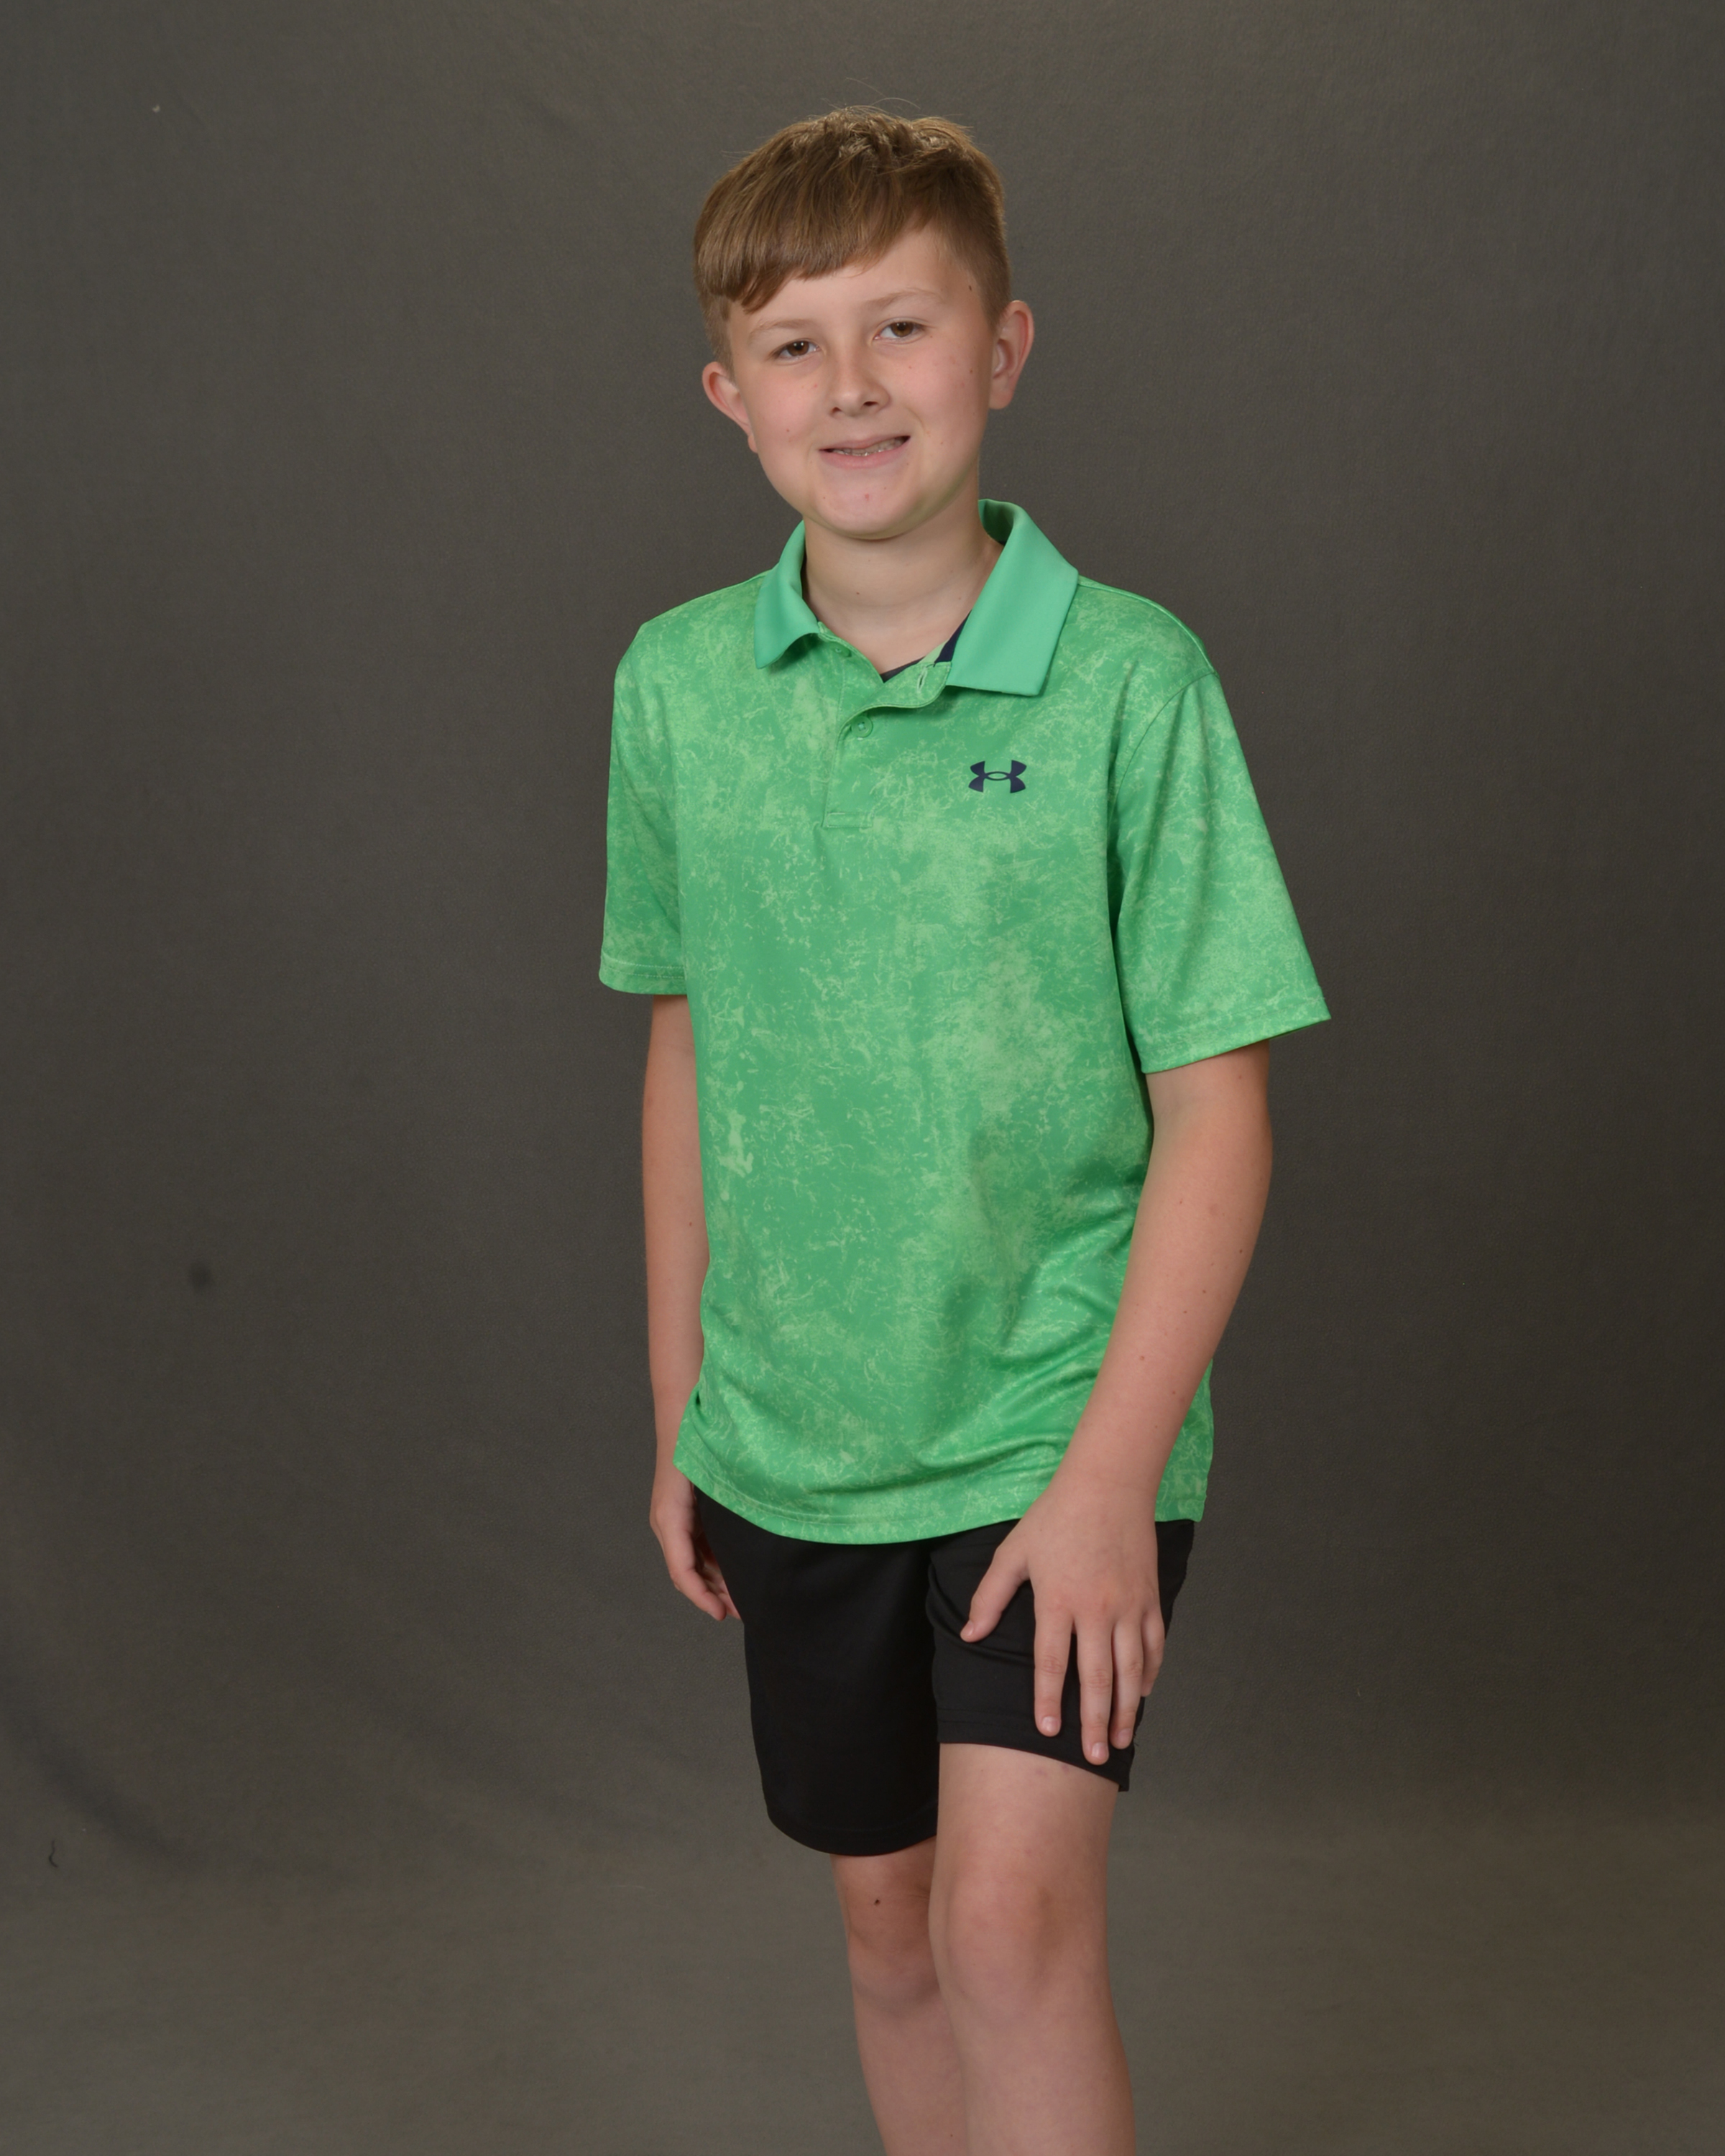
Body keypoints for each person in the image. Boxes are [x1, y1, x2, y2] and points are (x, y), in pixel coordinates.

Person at [599, 106, 1328, 2156]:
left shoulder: (1129, 685)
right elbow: (688, 1054)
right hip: (798, 1439)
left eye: (901, 327)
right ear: (730, 393)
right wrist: (679, 1402)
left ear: (1002, 349)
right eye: (796, 344)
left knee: (1012, 1930)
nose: (851, 385)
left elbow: (1218, 1112)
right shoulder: (676, 691)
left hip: (1052, 1425)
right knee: (896, 1934)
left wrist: (1110, 1478)